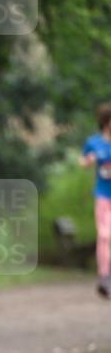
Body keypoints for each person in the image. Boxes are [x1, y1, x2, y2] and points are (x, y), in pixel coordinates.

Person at [79, 102, 111, 299]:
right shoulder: (94, 142)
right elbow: (82, 161)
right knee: (105, 236)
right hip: (103, 196)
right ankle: (104, 276)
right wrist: (88, 161)